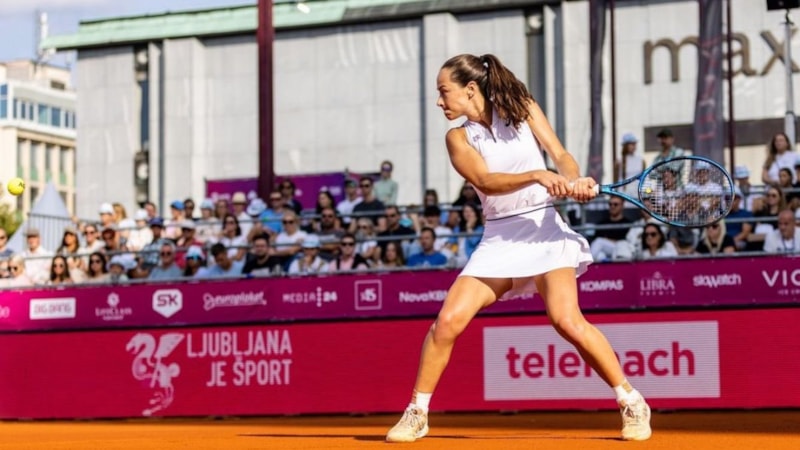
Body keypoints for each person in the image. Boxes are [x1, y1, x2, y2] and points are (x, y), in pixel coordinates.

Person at [385, 54, 651, 443]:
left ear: (470, 89)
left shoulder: (522, 107)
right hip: (500, 236)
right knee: (448, 321)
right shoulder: (457, 138)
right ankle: (417, 413)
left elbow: (561, 155)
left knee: (567, 321)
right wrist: (538, 175)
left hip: (544, 229)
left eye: (444, 91)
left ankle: (631, 401)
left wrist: (572, 179)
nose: (439, 101)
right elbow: (486, 181)